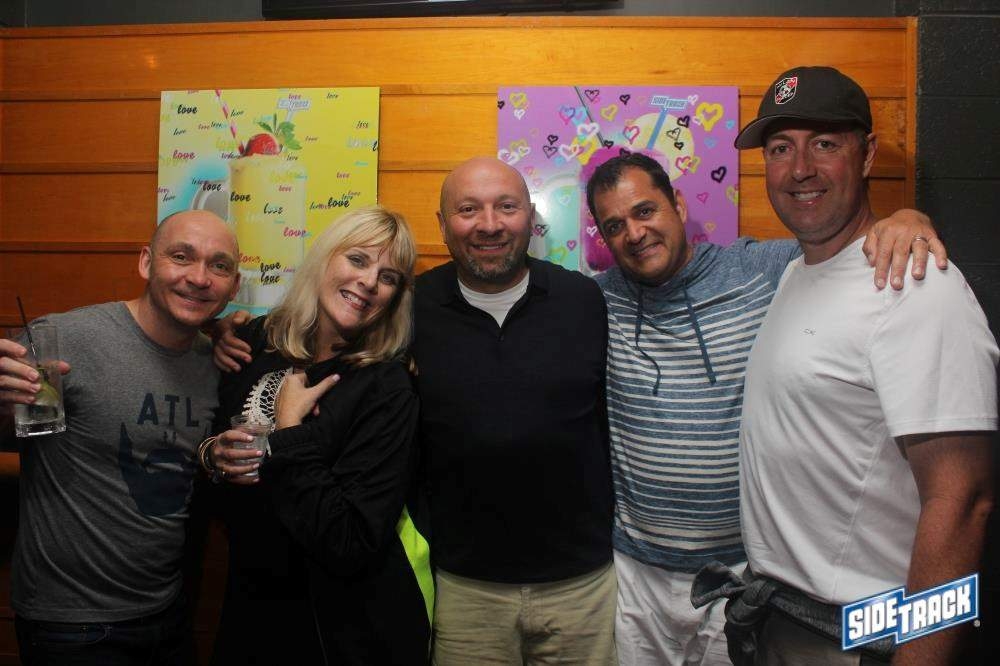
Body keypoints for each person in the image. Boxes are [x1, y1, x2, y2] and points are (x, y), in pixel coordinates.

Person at [584, 142, 945, 662]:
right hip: (639, 574)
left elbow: (845, 245)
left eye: (645, 211)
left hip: (741, 572)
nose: (634, 233)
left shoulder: (763, 268)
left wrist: (909, 218)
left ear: (677, 205)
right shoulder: (598, 299)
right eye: (615, 225)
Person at [731, 66, 997, 664]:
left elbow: (965, 500)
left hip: (863, 636)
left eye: (824, 144)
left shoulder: (917, 286)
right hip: (784, 617)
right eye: (780, 148)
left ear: (868, 154)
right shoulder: (795, 272)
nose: (800, 168)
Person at [0, 210, 240, 665]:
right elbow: (12, 424)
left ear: (234, 286)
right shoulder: (62, 338)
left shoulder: (215, 362)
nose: (199, 278)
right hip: (71, 625)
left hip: (167, 611)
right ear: (146, 262)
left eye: (219, 266)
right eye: (181, 257)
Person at [204, 206, 432, 665]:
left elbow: (350, 543)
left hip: (336, 631)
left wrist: (290, 431)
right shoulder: (258, 340)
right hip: (249, 607)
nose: (369, 282)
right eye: (358, 260)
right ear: (325, 257)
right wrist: (211, 456)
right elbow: (214, 445)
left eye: (388, 277)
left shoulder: (385, 387)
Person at [415, 156, 615, 664]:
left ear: (530, 217)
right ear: (442, 224)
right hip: (464, 589)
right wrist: (229, 331)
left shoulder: (582, 300)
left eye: (506, 207)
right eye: (468, 209)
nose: (489, 225)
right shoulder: (411, 308)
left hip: (582, 586)